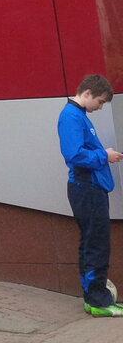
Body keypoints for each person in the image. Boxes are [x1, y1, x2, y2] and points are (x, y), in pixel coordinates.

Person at [58, 73, 123, 316]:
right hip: (87, 188)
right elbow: (74, 155)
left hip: (90, 188)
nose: (100, 107)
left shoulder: (78, 115)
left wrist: (103, 154)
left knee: (93, 243)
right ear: (87, 93)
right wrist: (104, 156)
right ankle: (98, 301)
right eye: (101, 101)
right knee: (95, 244)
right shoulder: (72, 117)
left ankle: (95, 298)